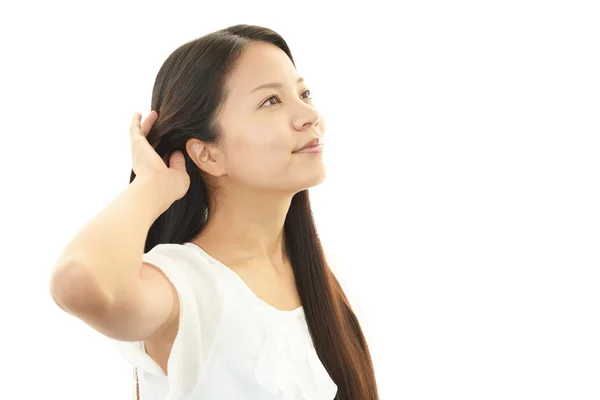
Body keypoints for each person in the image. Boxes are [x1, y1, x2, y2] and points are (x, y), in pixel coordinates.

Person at [49, 24, 379, 400]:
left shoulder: (320, 277)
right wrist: (152, 187)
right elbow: (78, 282)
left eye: (303, 93)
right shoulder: (189, 285)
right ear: (208, 154)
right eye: (271, 101)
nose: (309, 115)